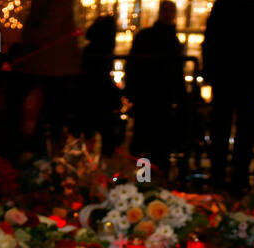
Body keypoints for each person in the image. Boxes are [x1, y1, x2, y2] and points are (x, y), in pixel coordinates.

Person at [203, 0, 254, 192]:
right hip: (248, 77)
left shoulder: (224, 6)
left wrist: (210, 72)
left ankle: (219, 176)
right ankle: (238, 178)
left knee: (222, 128)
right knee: (245, 130)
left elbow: (211, 39)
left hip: (226, 75)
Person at [4, 0, 80, 158]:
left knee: (41, 116)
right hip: (51, 64)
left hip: (45, 64)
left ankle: (37, 157)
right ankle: (44, 156)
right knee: (51, 116)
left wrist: (26, 38)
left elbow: (48, 27)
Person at [124, 1, 186, 180]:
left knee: (148, 140)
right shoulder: (169, 40)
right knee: (155, 141)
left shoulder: (149, 37)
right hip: (156, 96)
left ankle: (145, 179)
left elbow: (133, 65)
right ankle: (153, 179)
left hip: (150, 95)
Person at [76, 15, 125, 156]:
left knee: (90, 128)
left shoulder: (90, 49)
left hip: (89, 91)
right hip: (100, 92)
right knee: (105, 128)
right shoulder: (104, 49)